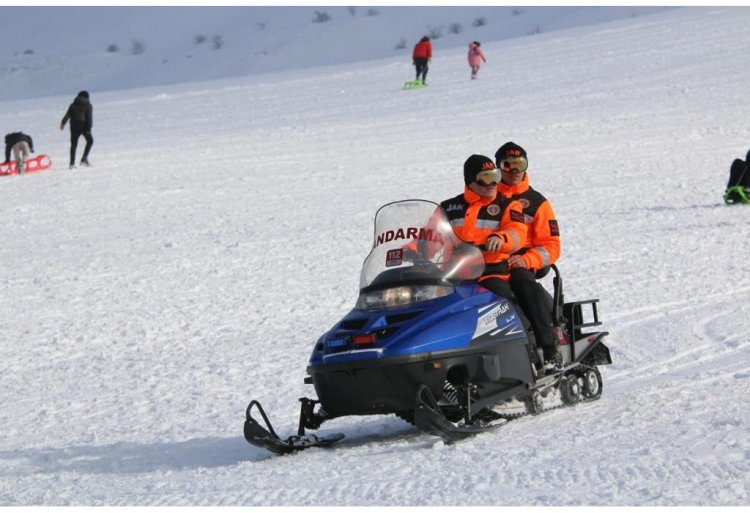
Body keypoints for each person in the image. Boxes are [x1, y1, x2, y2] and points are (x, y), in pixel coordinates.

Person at [494, 142, 563, 366]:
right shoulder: (488, 199)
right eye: (507, 165)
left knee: (522, 281)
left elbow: (552, 245)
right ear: (499, 168)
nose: (514, 171)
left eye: (519, 164)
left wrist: (526, 259)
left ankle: (548, 345)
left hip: (524, 262)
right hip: (492, 262)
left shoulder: (537, 203)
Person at [439, 154, 528, 321]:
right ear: (470, 181)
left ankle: (525, 336)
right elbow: (430, 236)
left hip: (491, 273)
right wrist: (412, 250)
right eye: (486, 178)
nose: (493, 184)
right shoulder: (448, 207)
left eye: (495, 177)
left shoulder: (508, 205)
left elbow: (517, 232)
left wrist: (501, 239)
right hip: (454, 274)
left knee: (502, 299)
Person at [60, 90, 94, 169]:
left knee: (73, 145)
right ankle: (84, 159)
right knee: (90, 141)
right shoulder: (88, 105)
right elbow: (89, 118)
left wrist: (62, 123)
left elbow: (67, 115)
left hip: (73, 126)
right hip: (84, 126)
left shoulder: (73, 105)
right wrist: (89, 128)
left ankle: (72, 164)